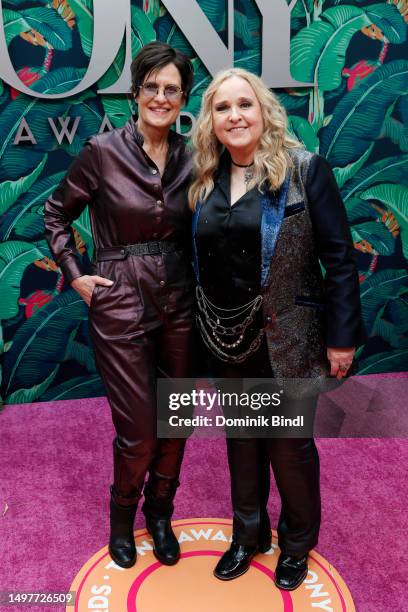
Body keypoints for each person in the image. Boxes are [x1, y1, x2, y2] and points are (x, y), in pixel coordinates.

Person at [189, 68, 364, 590]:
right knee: (242, 440)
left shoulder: (306, 171)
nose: (235, 115)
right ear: (211, 121)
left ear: (263, 110)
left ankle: (295, 545)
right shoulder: (204, 180)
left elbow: (340, 259)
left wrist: (341, 337)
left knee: (289, 446)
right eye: (223, 108)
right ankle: (248, 536)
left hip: (290, 336)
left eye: (245, 104)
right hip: (228, 337)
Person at [44, 42, 194, 569]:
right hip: (119, 300)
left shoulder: (197, 157)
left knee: (177, 420)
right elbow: (55, 214)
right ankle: (122, 519)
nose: (160, 96)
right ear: (135, 94)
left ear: (183, 99)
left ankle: (161, 515)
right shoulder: (102, 151)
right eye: (151, 87)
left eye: (171, 89)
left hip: (181, 300)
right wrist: (76, 275)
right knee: (139, 429)